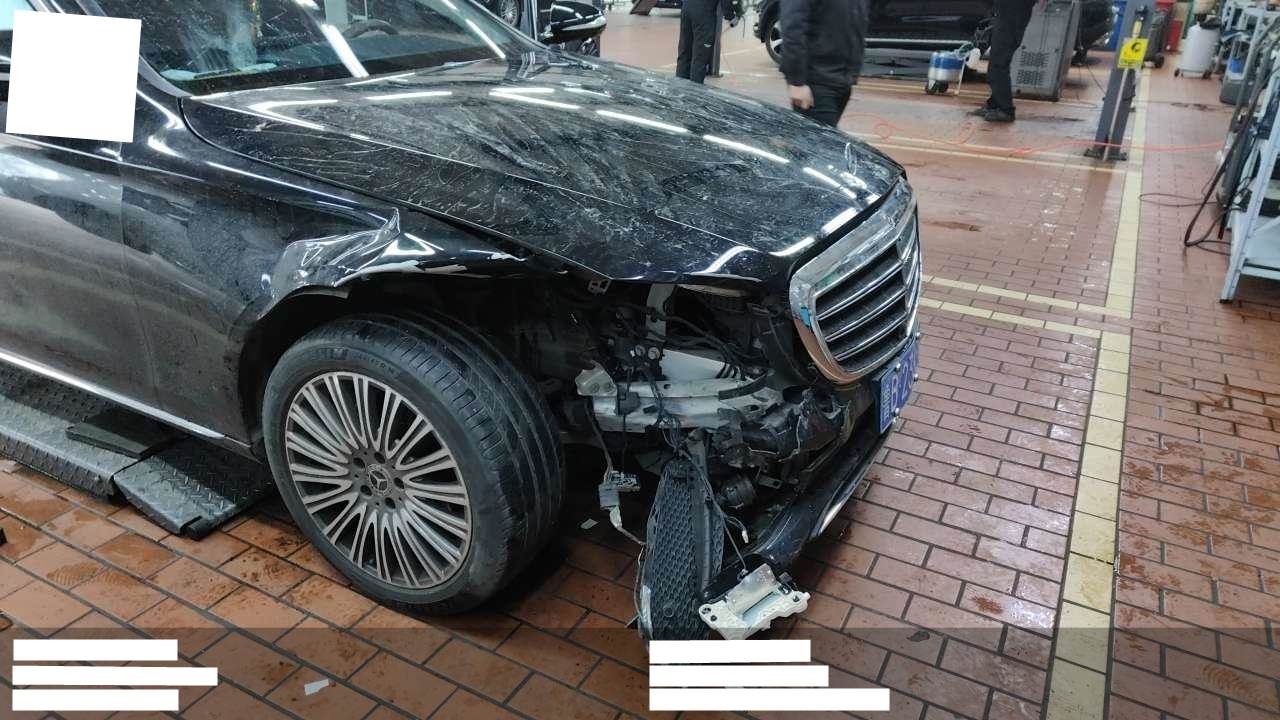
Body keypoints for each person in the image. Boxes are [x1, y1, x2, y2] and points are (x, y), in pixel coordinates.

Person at [778, 0, 868, 127]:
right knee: (818, 138)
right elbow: (793, 27)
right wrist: (796, 82)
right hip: (816, 83)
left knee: (825, 136)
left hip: (841, 80)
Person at [975, 0, 1038, 122]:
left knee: (998, 64)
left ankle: (1006, 109)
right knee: (997, 62)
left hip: (1011, 15)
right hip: (1006, 13)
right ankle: (995, 104)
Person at [676, 0, 740, 83]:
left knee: (685, 53)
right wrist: (731, 17)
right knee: (700, 57)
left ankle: (679, 87)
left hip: (686, 8)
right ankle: (695, 89)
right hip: (704, 14)